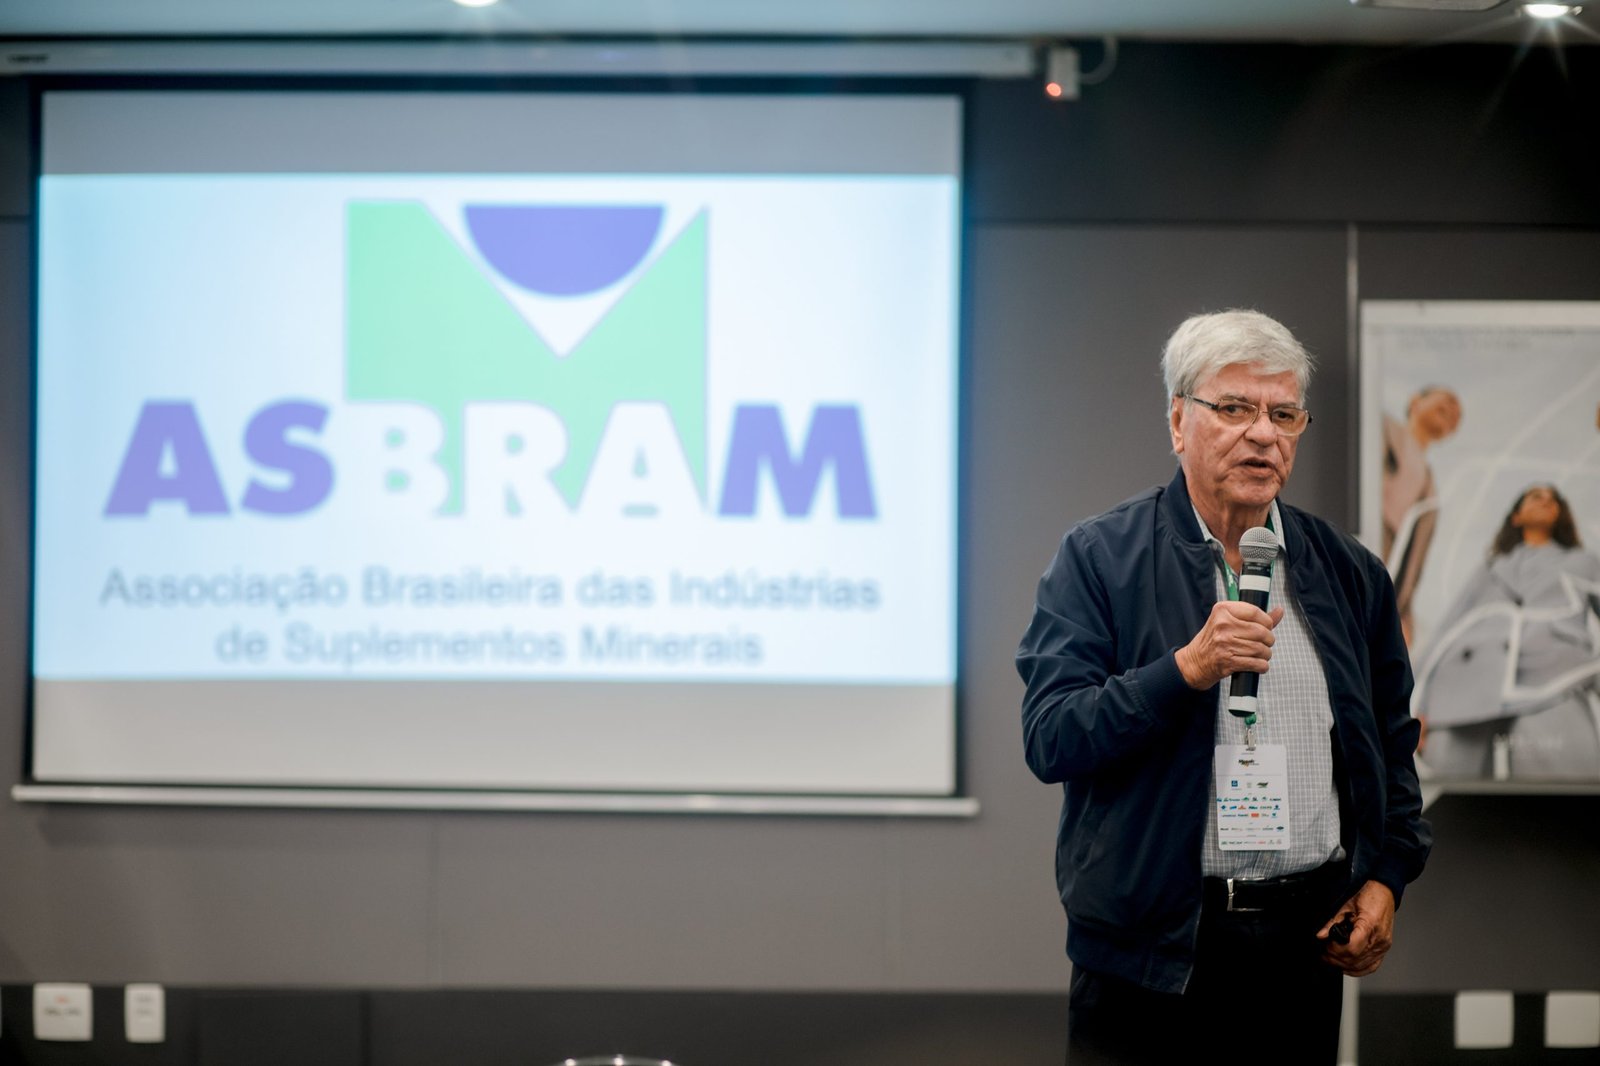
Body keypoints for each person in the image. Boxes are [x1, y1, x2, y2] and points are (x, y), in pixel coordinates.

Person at [1016, 310, 1431, 1066]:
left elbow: (1393, 747)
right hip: (1150, 956)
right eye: (1235, 408)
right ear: (1179, 422)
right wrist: (1186, 670)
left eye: (1283, 414)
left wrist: (1386, 880)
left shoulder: (1349, 573)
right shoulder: (1100, 557)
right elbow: (1051, 736)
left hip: (1303, 948)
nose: (1263, 434)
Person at [1418, 483, 1600, 779]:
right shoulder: (1491, 567)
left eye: (1554, 500)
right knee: (1448, 785)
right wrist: (1419, 707)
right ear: (1516, 516)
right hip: (1468, 682)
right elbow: (1446, 631)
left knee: (1564, 785)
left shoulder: (1584, 562)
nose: (1546, 501)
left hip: (1555, 679)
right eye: (1536, 497)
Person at [1381, 386, 1462, 645]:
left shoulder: (1431, 491)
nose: (1453, 409)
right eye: (1446, 400)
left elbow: (1413, 564)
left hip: (1384, 574)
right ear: (1416, 402)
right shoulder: (1381, 429)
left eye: (1456, 415)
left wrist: (1403, 614)